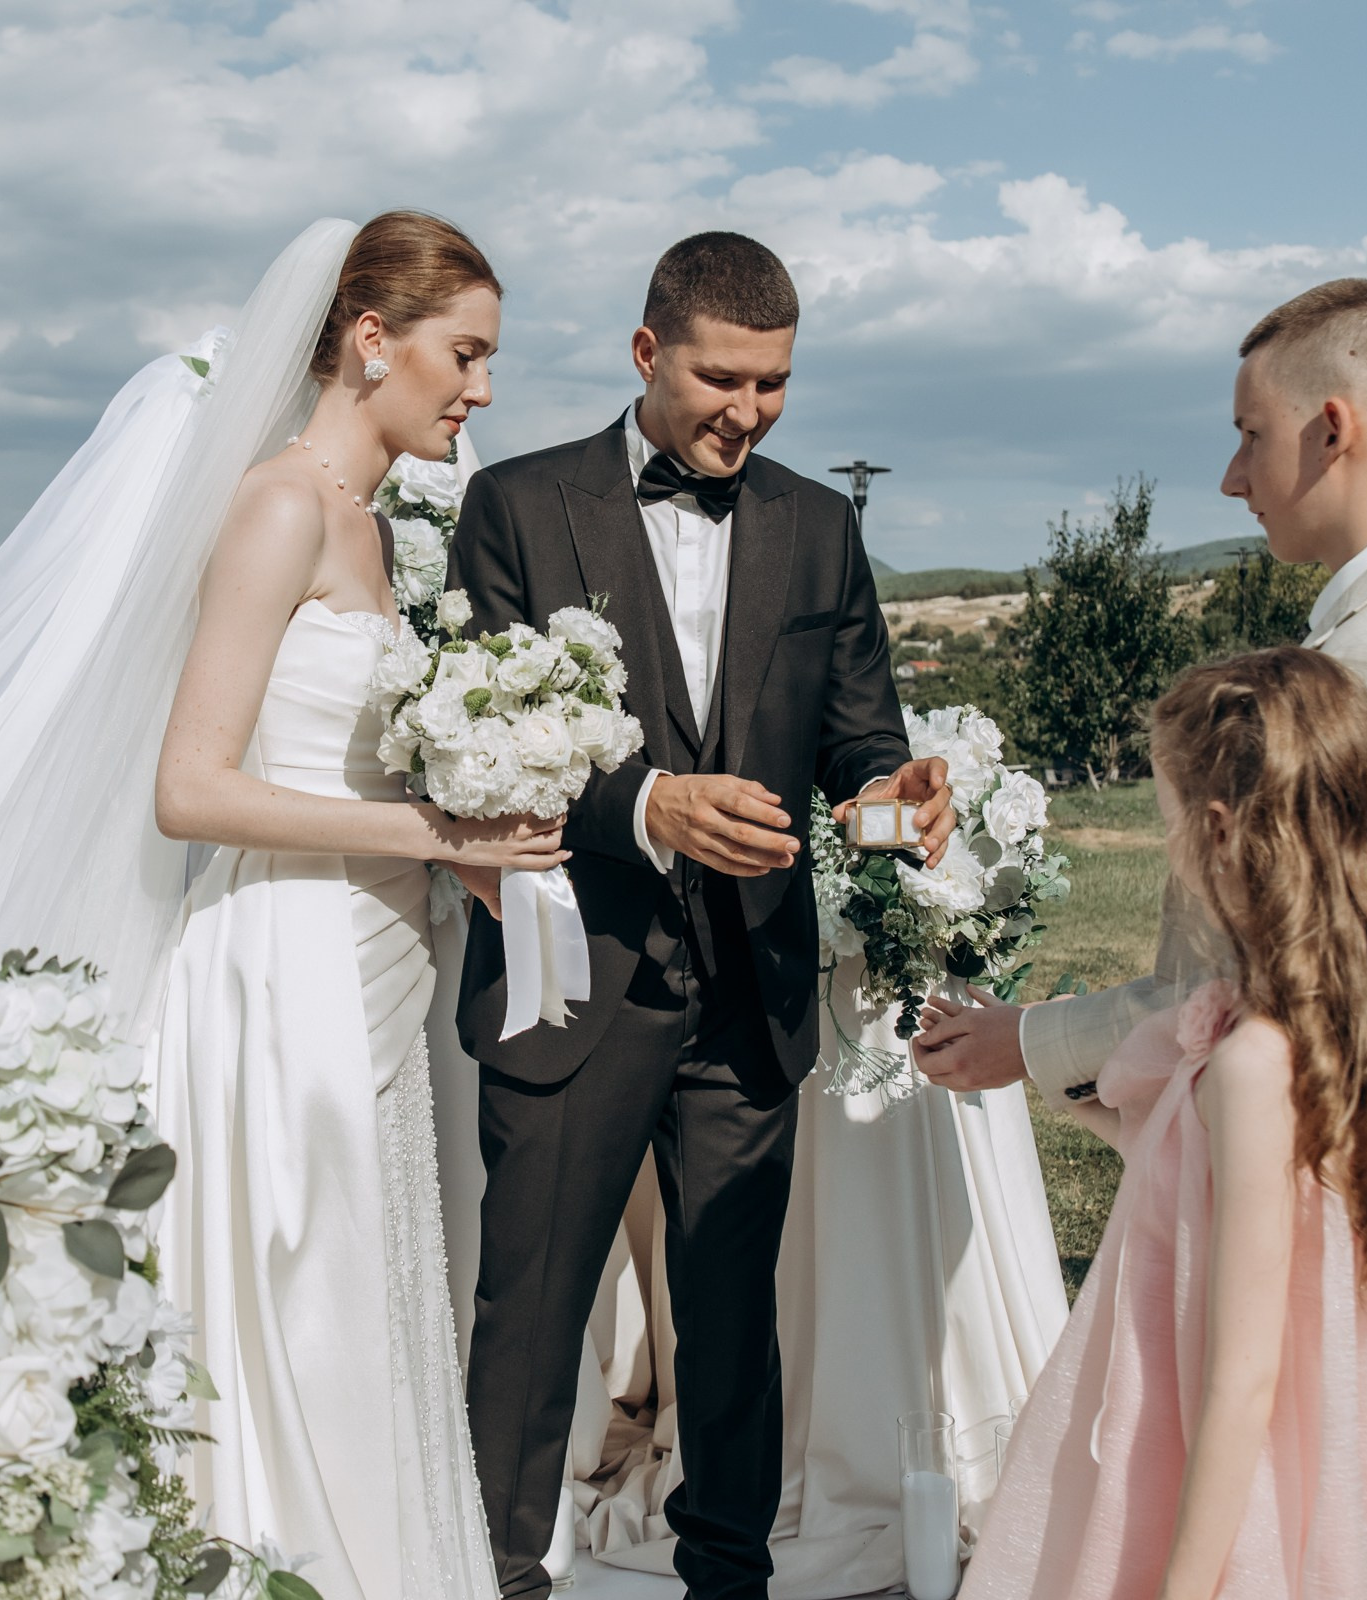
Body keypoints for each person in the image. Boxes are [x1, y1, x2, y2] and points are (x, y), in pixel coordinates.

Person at [0, 212, 548, 1600]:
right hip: (285, 974)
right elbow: (188, 789)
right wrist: (437, 831)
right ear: (373, 339)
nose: (481, 390)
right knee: (304, 1316)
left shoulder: (372, 527)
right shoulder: (279, 506)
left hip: (376, 970)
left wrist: (471, 842)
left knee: (369, 1311)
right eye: (467, 354)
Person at [443, 231, 954, 1600]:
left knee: (732, 1325)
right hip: (572, 979)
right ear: (646, 352)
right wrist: (650, 805)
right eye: (722, 378)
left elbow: (858, 745)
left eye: (775, 384)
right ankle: (498, 1574)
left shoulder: (821, 525)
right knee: (533, 1311)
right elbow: (483, 743)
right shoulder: (513, 505)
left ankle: (729, 1577)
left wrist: (896, 798)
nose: (748, 411)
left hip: (750, 988)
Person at [916, 278, 1367, 1302]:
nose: (1234, 476)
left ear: (1333, 430)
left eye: (1250, 433)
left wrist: (1028, 1040)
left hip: (1331, 1226)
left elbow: (1257, 989)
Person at [963, 647, 1367, 1599]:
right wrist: (1071, 1100)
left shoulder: (1258, 1061)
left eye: (1168, 826)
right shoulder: (1351, 1018)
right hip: (1354, 1447)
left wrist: (1183, 1586)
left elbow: (1241, 1382)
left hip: (1235, 1479)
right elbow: (1199, 1172)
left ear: (1218, 834)